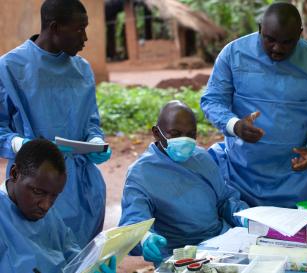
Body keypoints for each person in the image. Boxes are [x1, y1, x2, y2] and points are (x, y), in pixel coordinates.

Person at [200, 2, 307, 208]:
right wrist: (235, 125)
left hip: (298, 176)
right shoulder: (233, 55)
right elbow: (212, 100)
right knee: (241, 235)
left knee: (298, 236)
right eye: (270, 40)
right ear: (260, 29)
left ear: (300, 34)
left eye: (287, 42)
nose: (277, 48)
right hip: (242, 173)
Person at [0, 0, 111, 247]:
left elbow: (91, 121)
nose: (85, 37)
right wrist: (20, 145)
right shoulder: (10, 68)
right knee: (41, 255)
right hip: (35, 184)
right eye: (79, 29)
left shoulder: (82, 69)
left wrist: (94, 141)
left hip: (82, 187)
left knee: (81, 256)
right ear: (54, 27)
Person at [119, 101, 249, 264]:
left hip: (224, 243)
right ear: (157, 133)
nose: (185, 141)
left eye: (191, 134)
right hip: (179, 256)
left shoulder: (201, 158)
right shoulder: (141, 174)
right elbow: (134, 219)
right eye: (175, 133)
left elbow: (224, 200)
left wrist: (244, 216)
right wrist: (145, 238)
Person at [0, 139, 115, 273]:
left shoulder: (47, 213)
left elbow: (71, 253)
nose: (46, 205)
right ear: (14, 173)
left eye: (54, 195)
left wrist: (89, 266)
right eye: (38, 191)